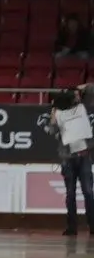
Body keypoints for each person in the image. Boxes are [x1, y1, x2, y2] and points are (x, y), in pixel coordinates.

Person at [46, 87, 94, 235]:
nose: (77, 98)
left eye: (77, 95)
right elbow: (51, 131)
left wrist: (78, 86)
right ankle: (72, 227)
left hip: (84, 155)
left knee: (88, 192)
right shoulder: (59, 113)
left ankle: (92, 225)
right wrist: (53, 118)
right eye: (74, 96)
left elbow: (91, 88)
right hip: (68, 158)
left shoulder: (82, 108)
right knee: (70, 193)